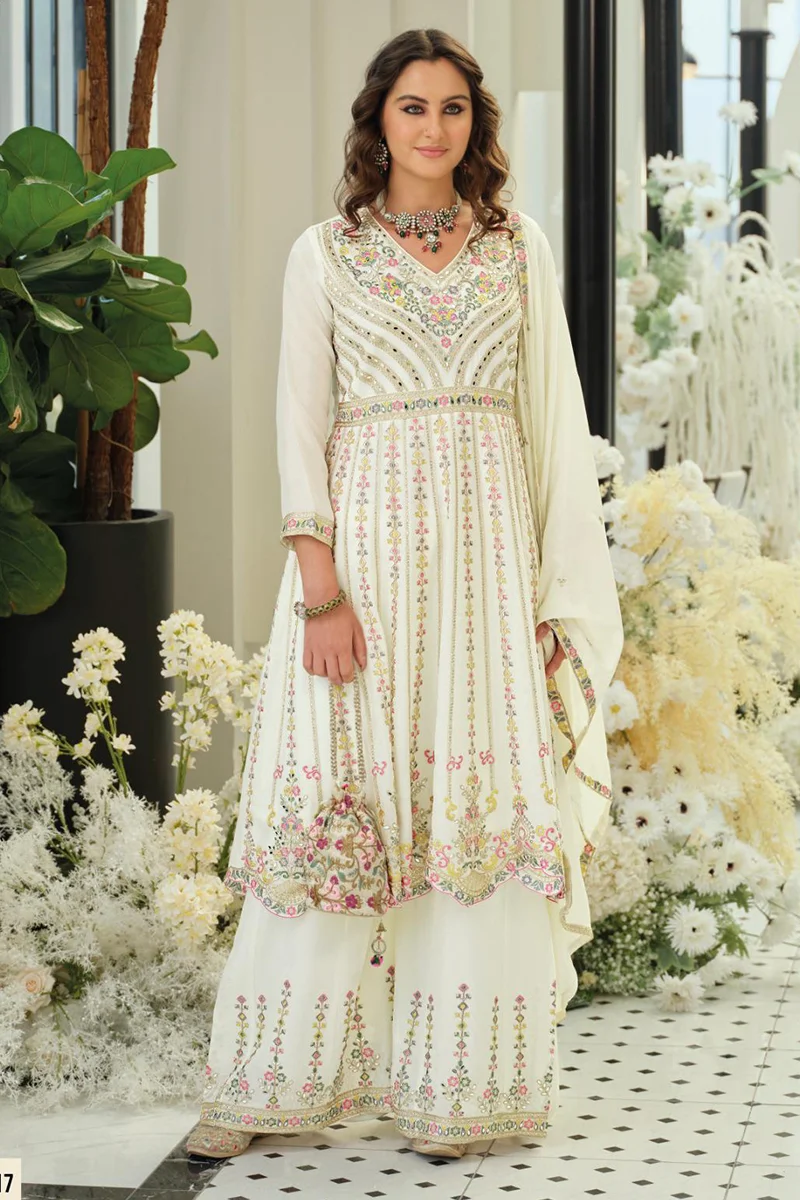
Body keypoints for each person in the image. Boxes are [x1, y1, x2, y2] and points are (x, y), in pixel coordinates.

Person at [187, 27, 623, 1162]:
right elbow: (298, 424)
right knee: (334, 801)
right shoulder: (324, 253)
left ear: (475, 126)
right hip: (363, 572)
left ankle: (455, 1089)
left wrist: (548, 596)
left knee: (466, 810)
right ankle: (265, 1084)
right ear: (378, 121)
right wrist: (317, 586)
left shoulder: (515, 248)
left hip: (484, 578)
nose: (433, 128)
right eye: (412, 107)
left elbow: (551, 423)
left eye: (453, 109)